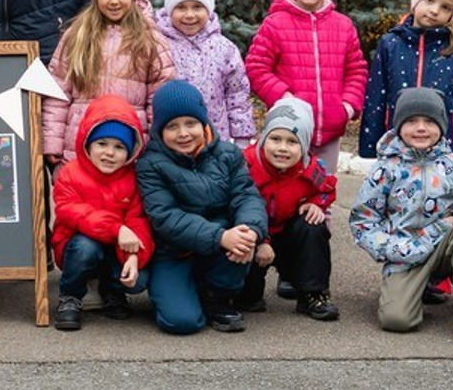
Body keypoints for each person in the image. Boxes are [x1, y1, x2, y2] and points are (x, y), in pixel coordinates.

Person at [349, 87, 453, 344]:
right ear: (398, 126)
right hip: (405, 254)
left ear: (441, 126)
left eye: (429, 121)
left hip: (445, 245)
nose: (420, 128)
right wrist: (390, 248)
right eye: (412, 121)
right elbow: (363, 220)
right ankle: (416, 288)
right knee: (397, 321)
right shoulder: (386, 168)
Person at [136, 80, 268, 335]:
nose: (183, 133)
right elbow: (165, 217)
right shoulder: (150, 164)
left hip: (223, 248)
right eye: (172, 127)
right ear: (159, 130)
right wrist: (220, 237)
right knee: (181, 322)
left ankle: (217, 297)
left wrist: (251, 229)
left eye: (190, 123)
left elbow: (247, 196)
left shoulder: (228, 154)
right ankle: (179, 289)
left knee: (242, 236)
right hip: (175, 251)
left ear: (203, 122)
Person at [43, 0, 174, 165]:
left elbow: (159, 98)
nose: (114, 1)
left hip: (129, 146)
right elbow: (58, 92)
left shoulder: (150, 38)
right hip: (79, 146)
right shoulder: (76, 35)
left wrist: (157, 145)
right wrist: (52, 141)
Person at [244, 0, 367, 171]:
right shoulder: (275, 24)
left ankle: (323, 209)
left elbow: (357, 70)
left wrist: (347, 106)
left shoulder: (343, 26)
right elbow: (256, 67)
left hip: (329, 130)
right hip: (288, 132)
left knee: (322, 191)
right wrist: (284, 98)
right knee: (284, 192)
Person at [50, 95, 153, 330]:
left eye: (119, 147)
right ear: (87, 143)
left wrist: (135, 257)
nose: (109, 153)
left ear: (131, 151)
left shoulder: (133, 178)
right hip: (76, 247)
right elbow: (70, 211)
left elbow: (138, 220)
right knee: (86, 247)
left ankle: (113, 291)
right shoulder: (70, 173)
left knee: (140, 278)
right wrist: (117, 229)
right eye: (102, 144)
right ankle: (70, 296)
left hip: (115, 246)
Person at [358, 0, 453, 159]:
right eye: (429, 0)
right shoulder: (391, 44)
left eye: (445, 7)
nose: (434, 10)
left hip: (444, 148)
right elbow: (376, 98)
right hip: (397, 146)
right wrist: (370, 149)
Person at [240, 98, 338, 320]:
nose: (282, 148)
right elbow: (232, 203)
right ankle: (247, 292)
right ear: (263, 138)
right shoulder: (244, 164)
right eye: (275, 139)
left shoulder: (309, 167)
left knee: (313, 225)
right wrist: (261, 241)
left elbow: (328, 188)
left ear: (303, 146)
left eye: (292, 142)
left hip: (289, 238)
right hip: (253, 236)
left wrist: (317, 203)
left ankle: (313, 293)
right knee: (247, 300)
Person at [152, 0, 254, 145]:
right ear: (169, 9)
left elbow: (237, 96)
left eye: (197, 7)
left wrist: (241, 140)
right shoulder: (158, 45)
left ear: (208, 8)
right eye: (181, 7)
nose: (189, 15)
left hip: (215, 142)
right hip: (171, 144)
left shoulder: (224, 49)